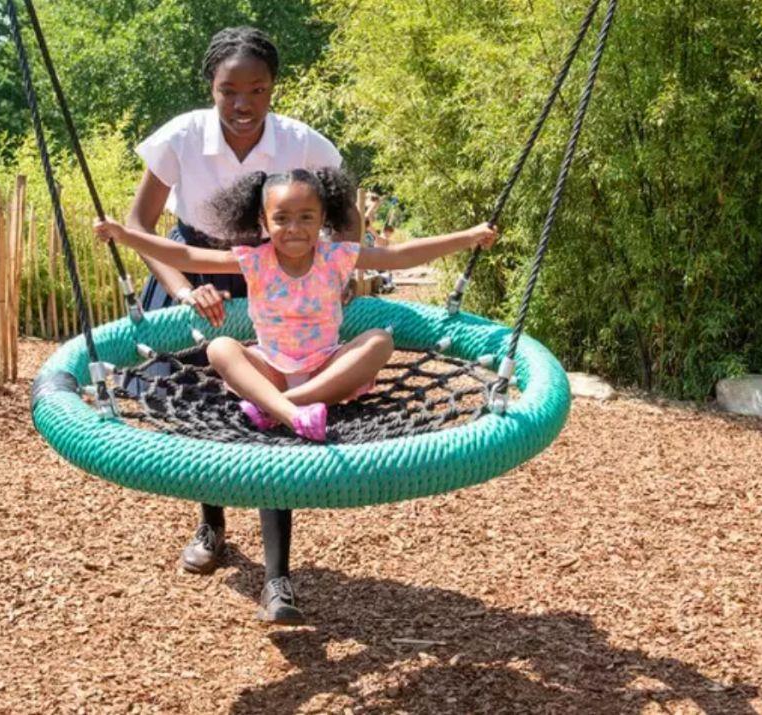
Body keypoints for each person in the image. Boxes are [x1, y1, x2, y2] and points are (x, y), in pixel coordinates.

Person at [95, 167, 496, 621]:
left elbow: (401, 256)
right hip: (271, 367)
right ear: (263, 223)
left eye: (306, 217)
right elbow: (184, 252)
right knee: (222, 346)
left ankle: (286, 409)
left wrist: (468, 236)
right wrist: (124, 236)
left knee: (379, 341)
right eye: (281, 218)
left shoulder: (337, 257)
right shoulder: (255, 260)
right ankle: (287, 407)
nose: (294, 229)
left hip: (325, 370)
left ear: (323, 218)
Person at [121, 27, 356, 591]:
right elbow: (139, 228)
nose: (243, 103)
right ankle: (211, 525)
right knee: (197, 403)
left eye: (257, 89)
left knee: (272, 409)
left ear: (274, 88)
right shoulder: (181, 137)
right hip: (195, 270)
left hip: (279, 270)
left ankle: (278, 573)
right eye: (229, 90)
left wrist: (340, 271)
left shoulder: (303, 144)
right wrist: (181, 290)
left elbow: (346, 219)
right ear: (211, 87)